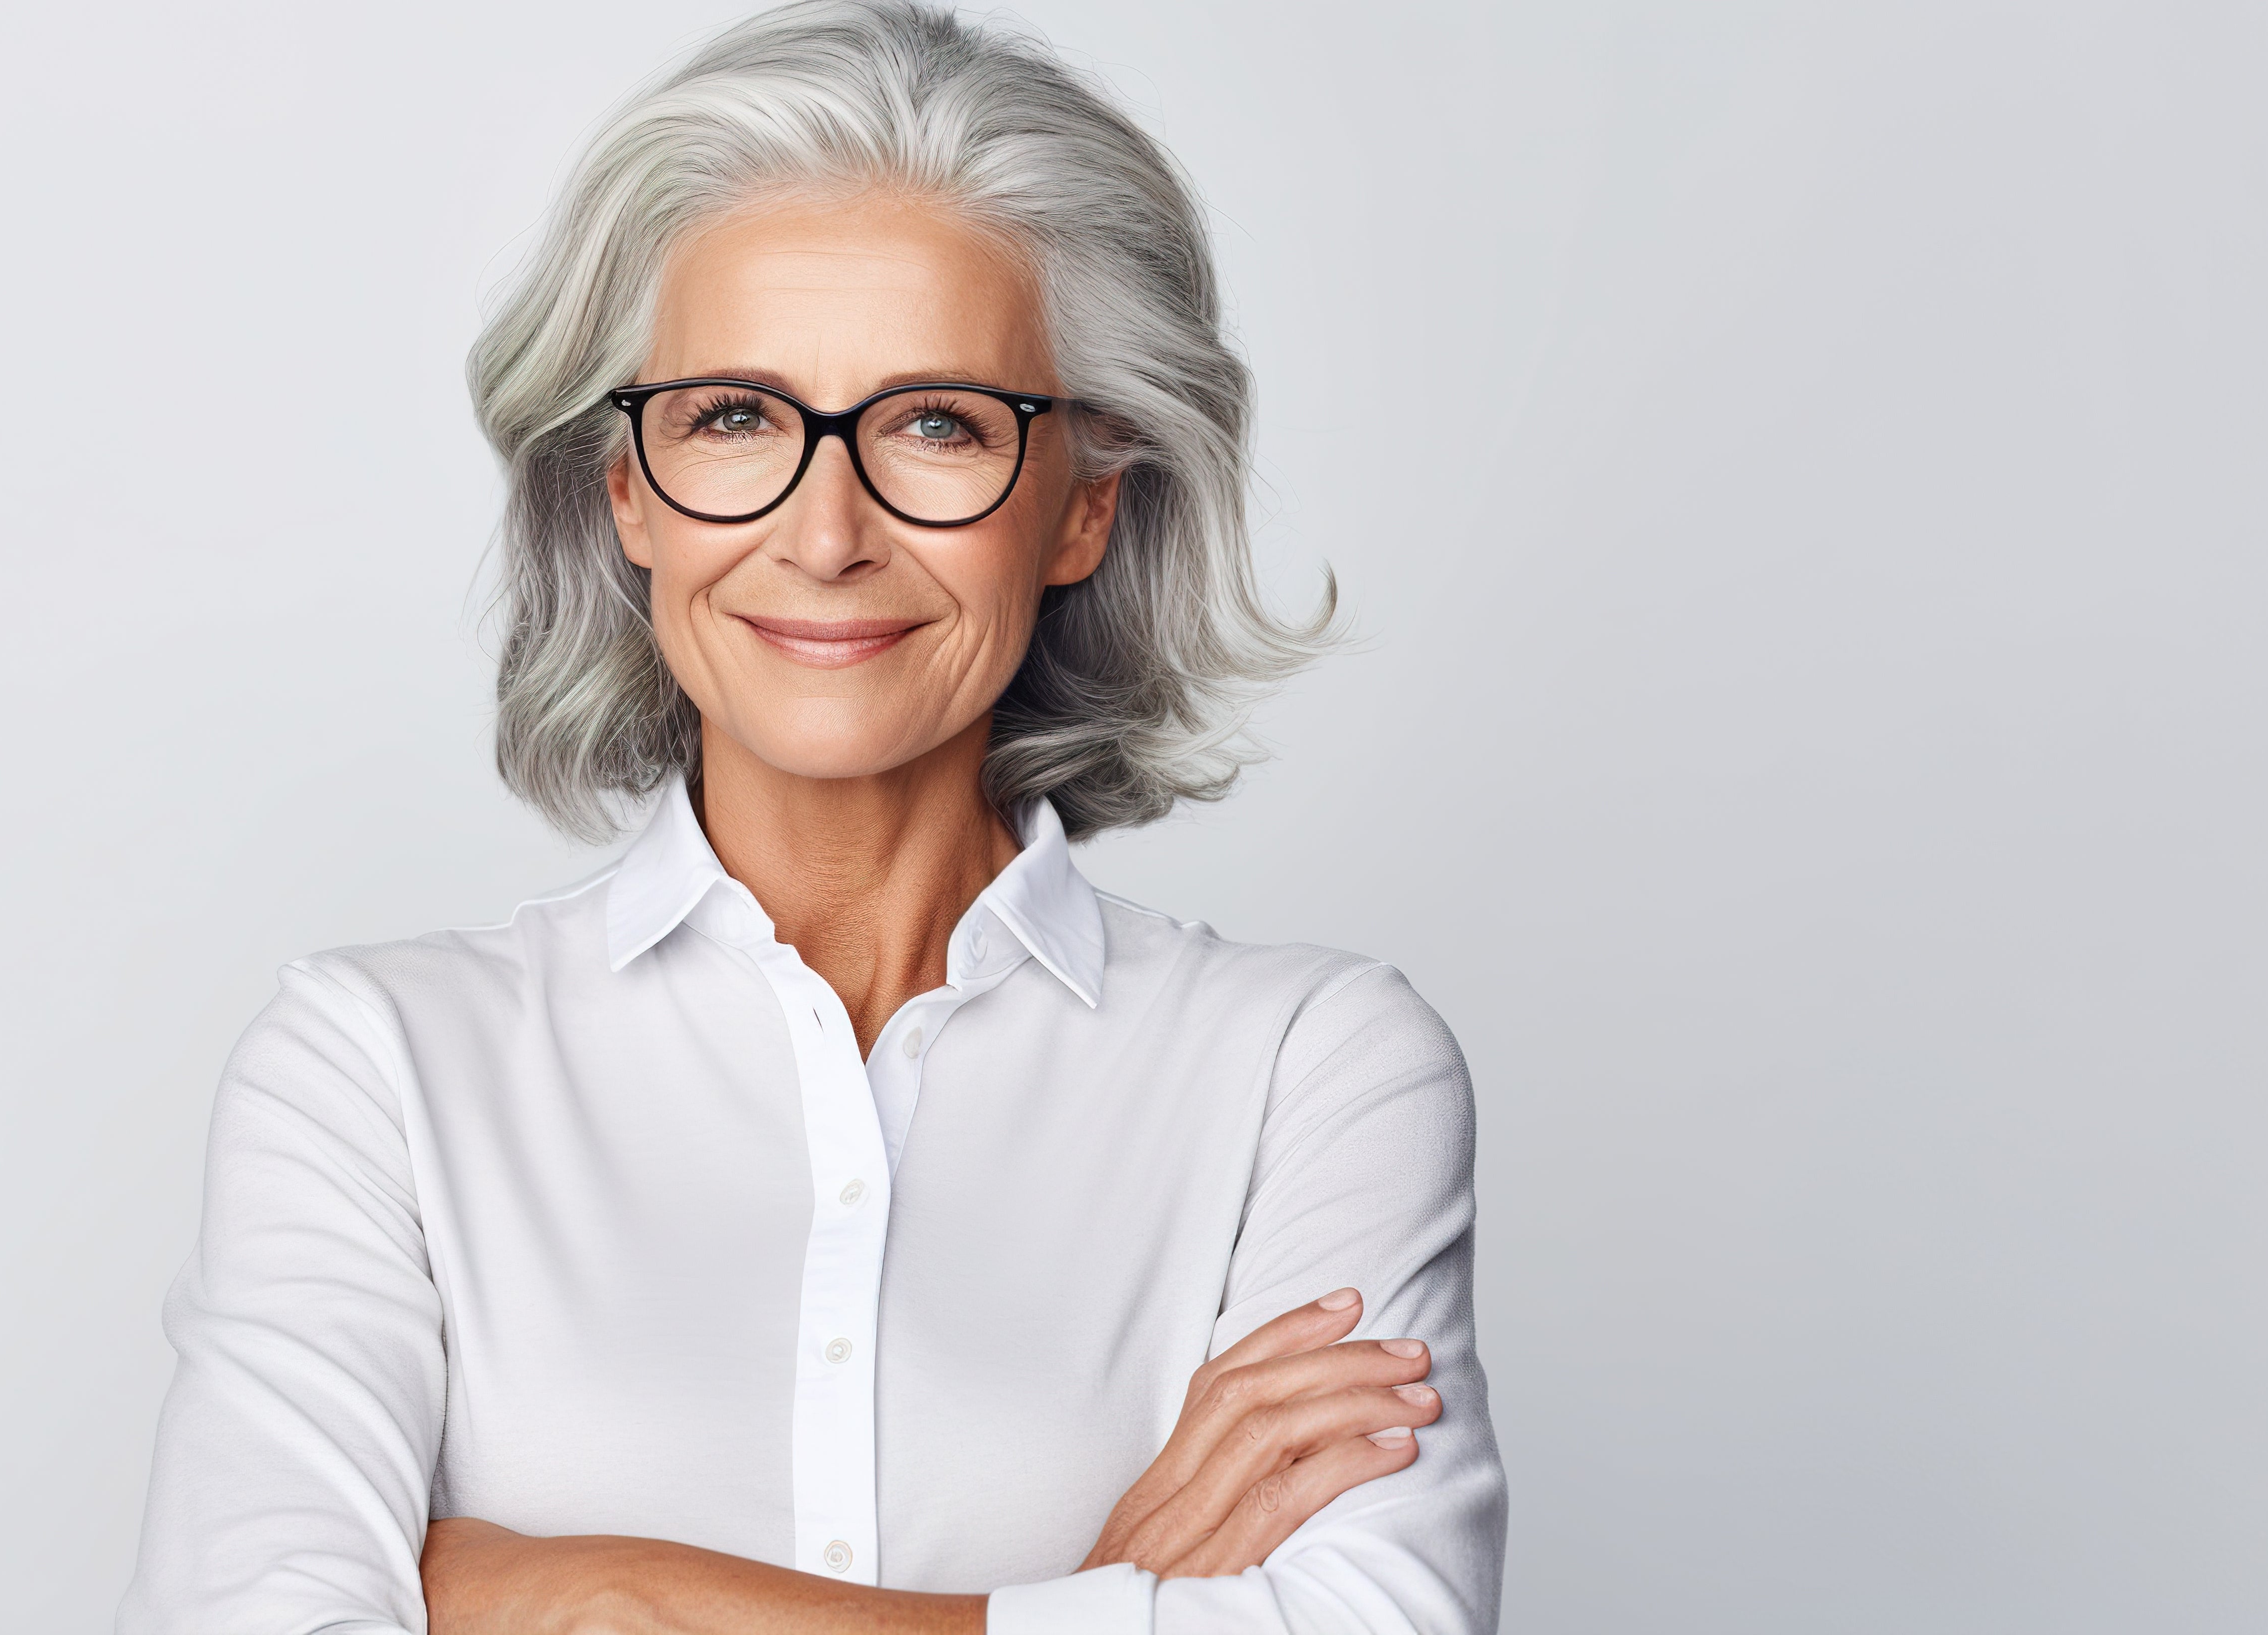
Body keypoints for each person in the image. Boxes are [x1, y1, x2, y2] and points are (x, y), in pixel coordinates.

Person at [116, 4, 1506, 1630]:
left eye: (937, 425)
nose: (825, 532)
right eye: (733, 418)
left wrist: (588, 1595)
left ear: (1084, 507)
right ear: (627, 491)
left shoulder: (1306, 1073)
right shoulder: (375, 1072)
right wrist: (1102, 1601)